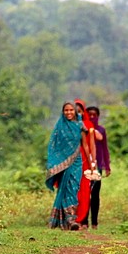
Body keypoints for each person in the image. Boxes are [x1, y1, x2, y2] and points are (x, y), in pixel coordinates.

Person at [45, 102, 86, 230]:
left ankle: (70, 218)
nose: (68, 112)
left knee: (74, 188)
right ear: (63, 112)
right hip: (63, 163)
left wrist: (91, 161)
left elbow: (84, 144)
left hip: (77, 161)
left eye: (71, 110)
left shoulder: (80, 125)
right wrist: (54, 162)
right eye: (66, 110)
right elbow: (54, 146)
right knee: (64, 188)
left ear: (75, 111)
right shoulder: (60, 126)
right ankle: (70, 219)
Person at [74, 99, 101, 229]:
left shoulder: (87, 125)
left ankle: (82, 219)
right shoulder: (68, 124)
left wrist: (92, 162)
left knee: (84, 191)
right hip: (69, 160)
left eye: (79, 109)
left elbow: (90, 145)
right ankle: (69, 219)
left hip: (83, 160)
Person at [85, 105, 111, 230]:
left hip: (98, 165)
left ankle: (94, 222)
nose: (91, 117)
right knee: (84, 194)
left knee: (95, 194)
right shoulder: (83, 129)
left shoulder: (101, 130)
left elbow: (104, 147)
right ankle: (83, 221)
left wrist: (107, 166)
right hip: (85, 164)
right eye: (89, 114)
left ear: (98, 116)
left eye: (94, 115)